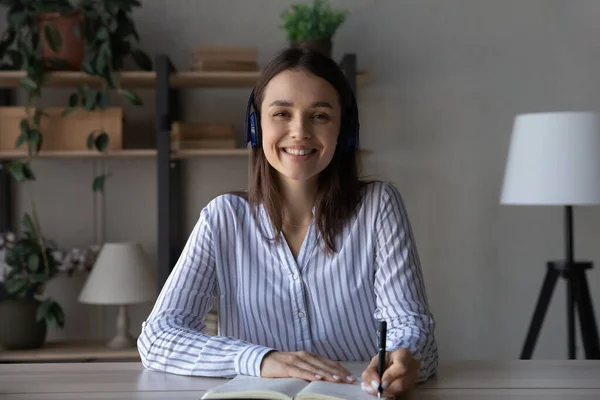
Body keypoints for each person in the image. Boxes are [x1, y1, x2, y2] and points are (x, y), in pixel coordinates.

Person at [137, 47, 438, 398]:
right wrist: (262, 359)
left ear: (345, 129)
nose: (300, 131)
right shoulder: (223, 219)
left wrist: (405, 357)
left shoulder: (378, 207)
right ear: (255, 126)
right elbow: (158, 337)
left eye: (320, 116)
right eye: (281, 113)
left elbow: (412, 328)